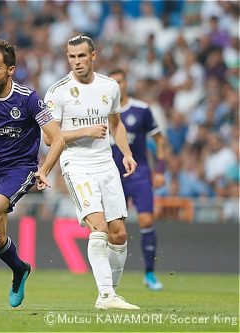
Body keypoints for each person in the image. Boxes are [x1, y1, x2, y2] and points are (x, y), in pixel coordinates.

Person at [0, 39, 65, 310]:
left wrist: (43, 170)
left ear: (10, 70)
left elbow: (58, 138)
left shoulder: (28, 98)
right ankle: (20, 269)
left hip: (20, 170)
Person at [44, 34, 139, 310]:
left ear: (93, 56)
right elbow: (50, 139)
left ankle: (111, 294)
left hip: (106, 163)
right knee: (98, 228)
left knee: (118, 233)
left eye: (81, 56)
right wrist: (86, 130)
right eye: (71, 57)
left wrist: (127, 154)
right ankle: (106, 296)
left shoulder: (110, 87)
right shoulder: (58, 91)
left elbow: (116, 124)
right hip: (77, 165)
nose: (76, 62)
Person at [109, 68, 167, 291]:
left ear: (126, 84)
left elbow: (160, 140)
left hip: (140, 174)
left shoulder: (141, 110)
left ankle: (150, 274)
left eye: (120, 82)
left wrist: (160, 170)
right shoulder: (101, 111)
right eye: (113, 82)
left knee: (146, 221)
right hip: (112, 176)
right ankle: (110, 281)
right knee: (114, 228)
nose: (117, 86)